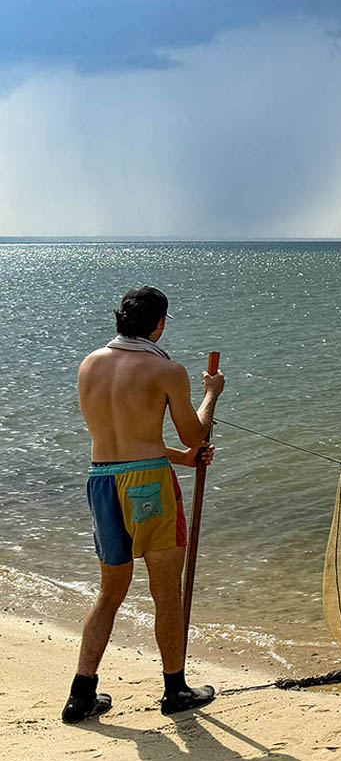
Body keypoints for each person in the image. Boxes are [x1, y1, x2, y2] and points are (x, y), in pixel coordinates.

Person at [62, 286, 226, 723]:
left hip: (101, 479)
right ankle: (175, 689)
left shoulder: (89, 365)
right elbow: (196, 435)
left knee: (110, 592)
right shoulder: (166, 369)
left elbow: (124, 442)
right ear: (160, 323)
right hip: (149, 485)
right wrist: (212, 394)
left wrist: (180, 458)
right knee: (164, 592)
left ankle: (81, 694)